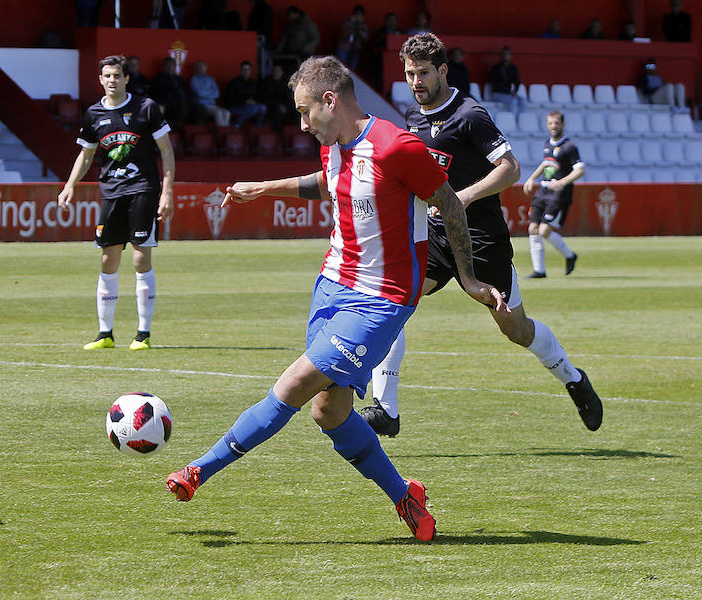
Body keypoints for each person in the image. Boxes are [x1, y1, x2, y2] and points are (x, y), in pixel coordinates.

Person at [164, 55, 507, 542]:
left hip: (382, 299)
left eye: (306, 112)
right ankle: (404, 495)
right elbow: (328, 182)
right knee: (330, 412)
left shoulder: (397, 147)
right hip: (332, 285)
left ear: (331, 100)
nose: (303, 125)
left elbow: (449, 204)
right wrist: (263, 189)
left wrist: (469, 279)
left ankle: (199, 470)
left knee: (295, 383)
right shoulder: (335, 143)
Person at [359, 33, 602, 439]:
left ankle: (574, 379)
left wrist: (464, 196)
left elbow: (510, 168)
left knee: (516, 330)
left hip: (481, 238)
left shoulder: (470, 114)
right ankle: (387, 409)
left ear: (442, 71)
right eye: (409, 74)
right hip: (437, 237)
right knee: (395, 302)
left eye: (422, 73)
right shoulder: (413, 118)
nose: (416, 82)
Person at [57, 55, 175, 351]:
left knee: (140, 258)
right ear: (100, 79)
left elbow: (167, 151)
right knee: (108, 258)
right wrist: (70, 185)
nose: (112, 80)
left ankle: (142, 334)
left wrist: (167, 192)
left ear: (126, 79)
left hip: (142, 190)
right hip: (110, 193)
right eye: (107, 76)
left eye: (117, 75)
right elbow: (86, 155)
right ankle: (104, 333)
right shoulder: (94, 113)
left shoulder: (146, 109)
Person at [522, 110, 583, 279]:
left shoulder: (569, 147)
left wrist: (561, 183)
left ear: (562, 125)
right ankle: (539, 270)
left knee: (543, 230)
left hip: (559, 194)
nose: (553, 126)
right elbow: (546, 163)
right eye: (550, 123)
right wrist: (531, 178)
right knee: (533, 228)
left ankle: (569, 255)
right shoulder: (547, 144)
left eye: (556, 123)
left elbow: (580, 170)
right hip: (542, 191)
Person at [148, 56, 190, 130]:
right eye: (167, 65)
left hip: (178, 103)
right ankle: (167, 132)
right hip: (164, 103)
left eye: (172, 65)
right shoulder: (158, 79)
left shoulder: (179, 79)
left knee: (186, 107)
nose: (169, 67)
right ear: (163, 66)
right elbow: (155, 94)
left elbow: (184, 92)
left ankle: (180, 132)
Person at [274, 5, 320, 70]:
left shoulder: (308, 24)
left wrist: (304, 49)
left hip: (304, 54)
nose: (289, 17)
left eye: (290, 15)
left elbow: (315, 39)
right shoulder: (290, 25)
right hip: (292, 52)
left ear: (296, 14)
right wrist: (277, 51)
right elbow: (284, 39)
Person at [225, 60, 267, 127]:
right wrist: (245, 101)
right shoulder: (234, 82)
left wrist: (254, 101)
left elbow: (257, 96)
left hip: (250, 107)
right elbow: (230, 99)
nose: (246, 71)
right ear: (241, 70)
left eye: (248, 69)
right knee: (254, 108)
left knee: (263, 107)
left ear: (250, 70)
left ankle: (258, 125)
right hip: (235, 107)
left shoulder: (252, 83)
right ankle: (236, 123)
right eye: (244, 69)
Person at [189, 59, 231, 126]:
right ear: (196, 68)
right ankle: (222, 132)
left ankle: (225, 131)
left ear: (206, 68)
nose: (201, 69)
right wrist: (210, 92)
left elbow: (217, 94)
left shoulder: (211, 79)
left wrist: (204, 92)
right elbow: (199, 93)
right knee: (219, 112)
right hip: (202, 106)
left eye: (203, 67)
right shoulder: (194, 79)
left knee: (227, 112)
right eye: (199, 67)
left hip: (212, 105)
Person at [259, 62, 296, 130]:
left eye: (278, 71)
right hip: (271, 107)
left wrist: (286, 107)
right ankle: (277, 133)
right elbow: (263, 98)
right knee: (276, 110)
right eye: (274, 71)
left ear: (282, 72)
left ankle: (294, 134)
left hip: (284, 107)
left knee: (297, 111)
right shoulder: (266, 82)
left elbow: (289, 99)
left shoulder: (285, 84)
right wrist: (278, 105)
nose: (276, 72)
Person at [490, 46, 525, 114]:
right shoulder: (496, 68)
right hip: (497, 94)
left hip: (508, 94)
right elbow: (496, 84)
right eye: (503, 54)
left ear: (510, 56)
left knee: (523, 101)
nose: (505, 56)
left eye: (507, 54)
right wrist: (509, 92)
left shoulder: (513, 68)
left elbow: (517, 82)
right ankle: (510, 119)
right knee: (513, 101)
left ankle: (517, 119)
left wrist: (515, 92)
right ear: (500, 56)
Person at [335, 4, 368, 70]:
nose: (358, 16)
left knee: (353, 70)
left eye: (360, 14)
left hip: (356, 50)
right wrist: (352, 24)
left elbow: (365, 38)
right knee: (341, 68)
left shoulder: (363, 26)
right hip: (344, 50)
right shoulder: (347, 23)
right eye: (356, 14)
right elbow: (345, 35)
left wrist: (359, 27)